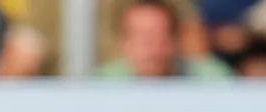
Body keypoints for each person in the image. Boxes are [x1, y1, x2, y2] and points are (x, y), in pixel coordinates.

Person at [97, 0, 232, 75]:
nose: (153, 47)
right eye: (142, 38)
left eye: (159, 35)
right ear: (124, 43)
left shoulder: (210, 78)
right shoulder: (104, 85)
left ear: (175, 39)